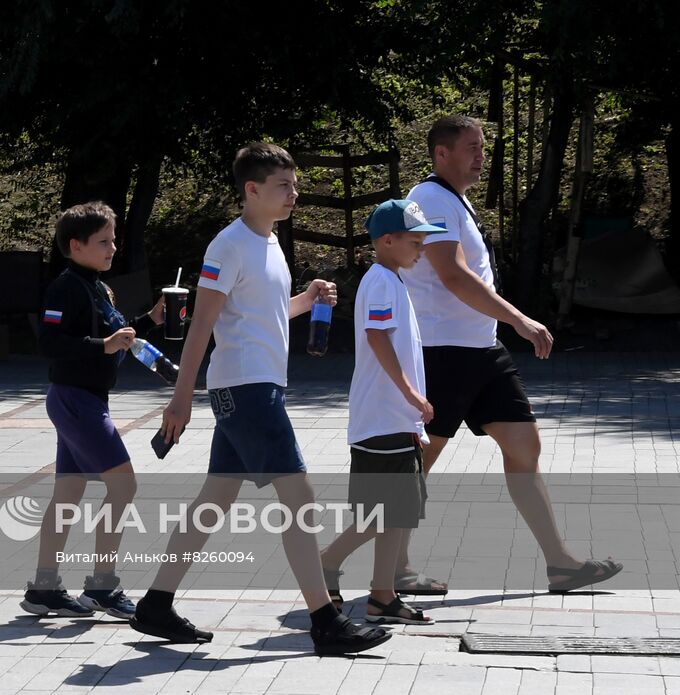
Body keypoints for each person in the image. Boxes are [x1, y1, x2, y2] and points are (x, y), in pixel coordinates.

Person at [131, 143, 391, 656]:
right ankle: (326, 622)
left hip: (257, 385)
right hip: (245, 389)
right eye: (283, 186)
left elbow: (263, 313)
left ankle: (155, 605)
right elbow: (202, 323)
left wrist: (308, 299)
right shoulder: (227, 245)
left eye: (294, 185)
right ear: (252, 190)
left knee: (213, 502)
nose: (294, 194)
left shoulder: (269, 243)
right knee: (300, 500)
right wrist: (181, 399)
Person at [397, 115, 621, 594]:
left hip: (481, 348)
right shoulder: (429, 199)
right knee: (419, 458)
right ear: (442, 153)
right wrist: (519, 319)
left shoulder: (455, 200)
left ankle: (560, 564)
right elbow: (454, 276)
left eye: (482, 146)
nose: (481, 155)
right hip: (443, 351)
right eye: (471, 147)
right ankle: (387, 566)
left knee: (525, 446)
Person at [21, 201, 164, 620]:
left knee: (69, 493)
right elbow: (49, 343)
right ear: (75, 245)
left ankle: (44, 588)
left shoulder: (98, 286)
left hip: (86, 399)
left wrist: (151, 320)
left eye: (114, 239)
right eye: (103, 241)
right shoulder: (66, 287)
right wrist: (100, 346)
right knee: (124, 486)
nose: (113, 248)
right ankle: (102, 586)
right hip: (75, 399)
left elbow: (117, 335)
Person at [317, 199, 446, 625]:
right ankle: (326, 563)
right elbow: (376, 336)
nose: (421, 249)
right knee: (382, 513)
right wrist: (412, 394)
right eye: (415, 241)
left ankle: (382, 596)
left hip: (395, 417)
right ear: (387, 241)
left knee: (400, 510)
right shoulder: (381, 282)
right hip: (383, 416)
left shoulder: (391, 278)